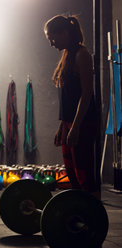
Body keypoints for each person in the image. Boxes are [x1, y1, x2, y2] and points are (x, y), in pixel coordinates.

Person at [44, 15, 101, 200]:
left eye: (53, 38)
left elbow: (86, 94)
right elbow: (69, 96)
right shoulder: (67, 55)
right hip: (70, 122)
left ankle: (93, 216)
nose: (52, 44)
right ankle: (78, 213)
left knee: (84, 173)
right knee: (73, 175)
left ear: (65, 33)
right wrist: (63, 125)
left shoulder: (81, 55)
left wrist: (75, 126)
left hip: (83, 123)